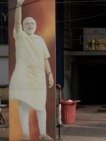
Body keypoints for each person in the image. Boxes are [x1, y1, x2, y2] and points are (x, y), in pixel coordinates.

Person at [9, 0, 54, 140]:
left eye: (32, 24)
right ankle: (25, 134)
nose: (29, 25)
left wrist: (50, 73)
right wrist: (19, 5)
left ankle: (42, 134)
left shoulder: (40, 40)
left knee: (41, 106)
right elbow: (17, 22)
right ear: (23, 26)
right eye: (27, 23)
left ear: (35, 26)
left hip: (38, 77)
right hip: (23, 76)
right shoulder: (19, 36)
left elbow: (45, 59)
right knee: (23, 106)